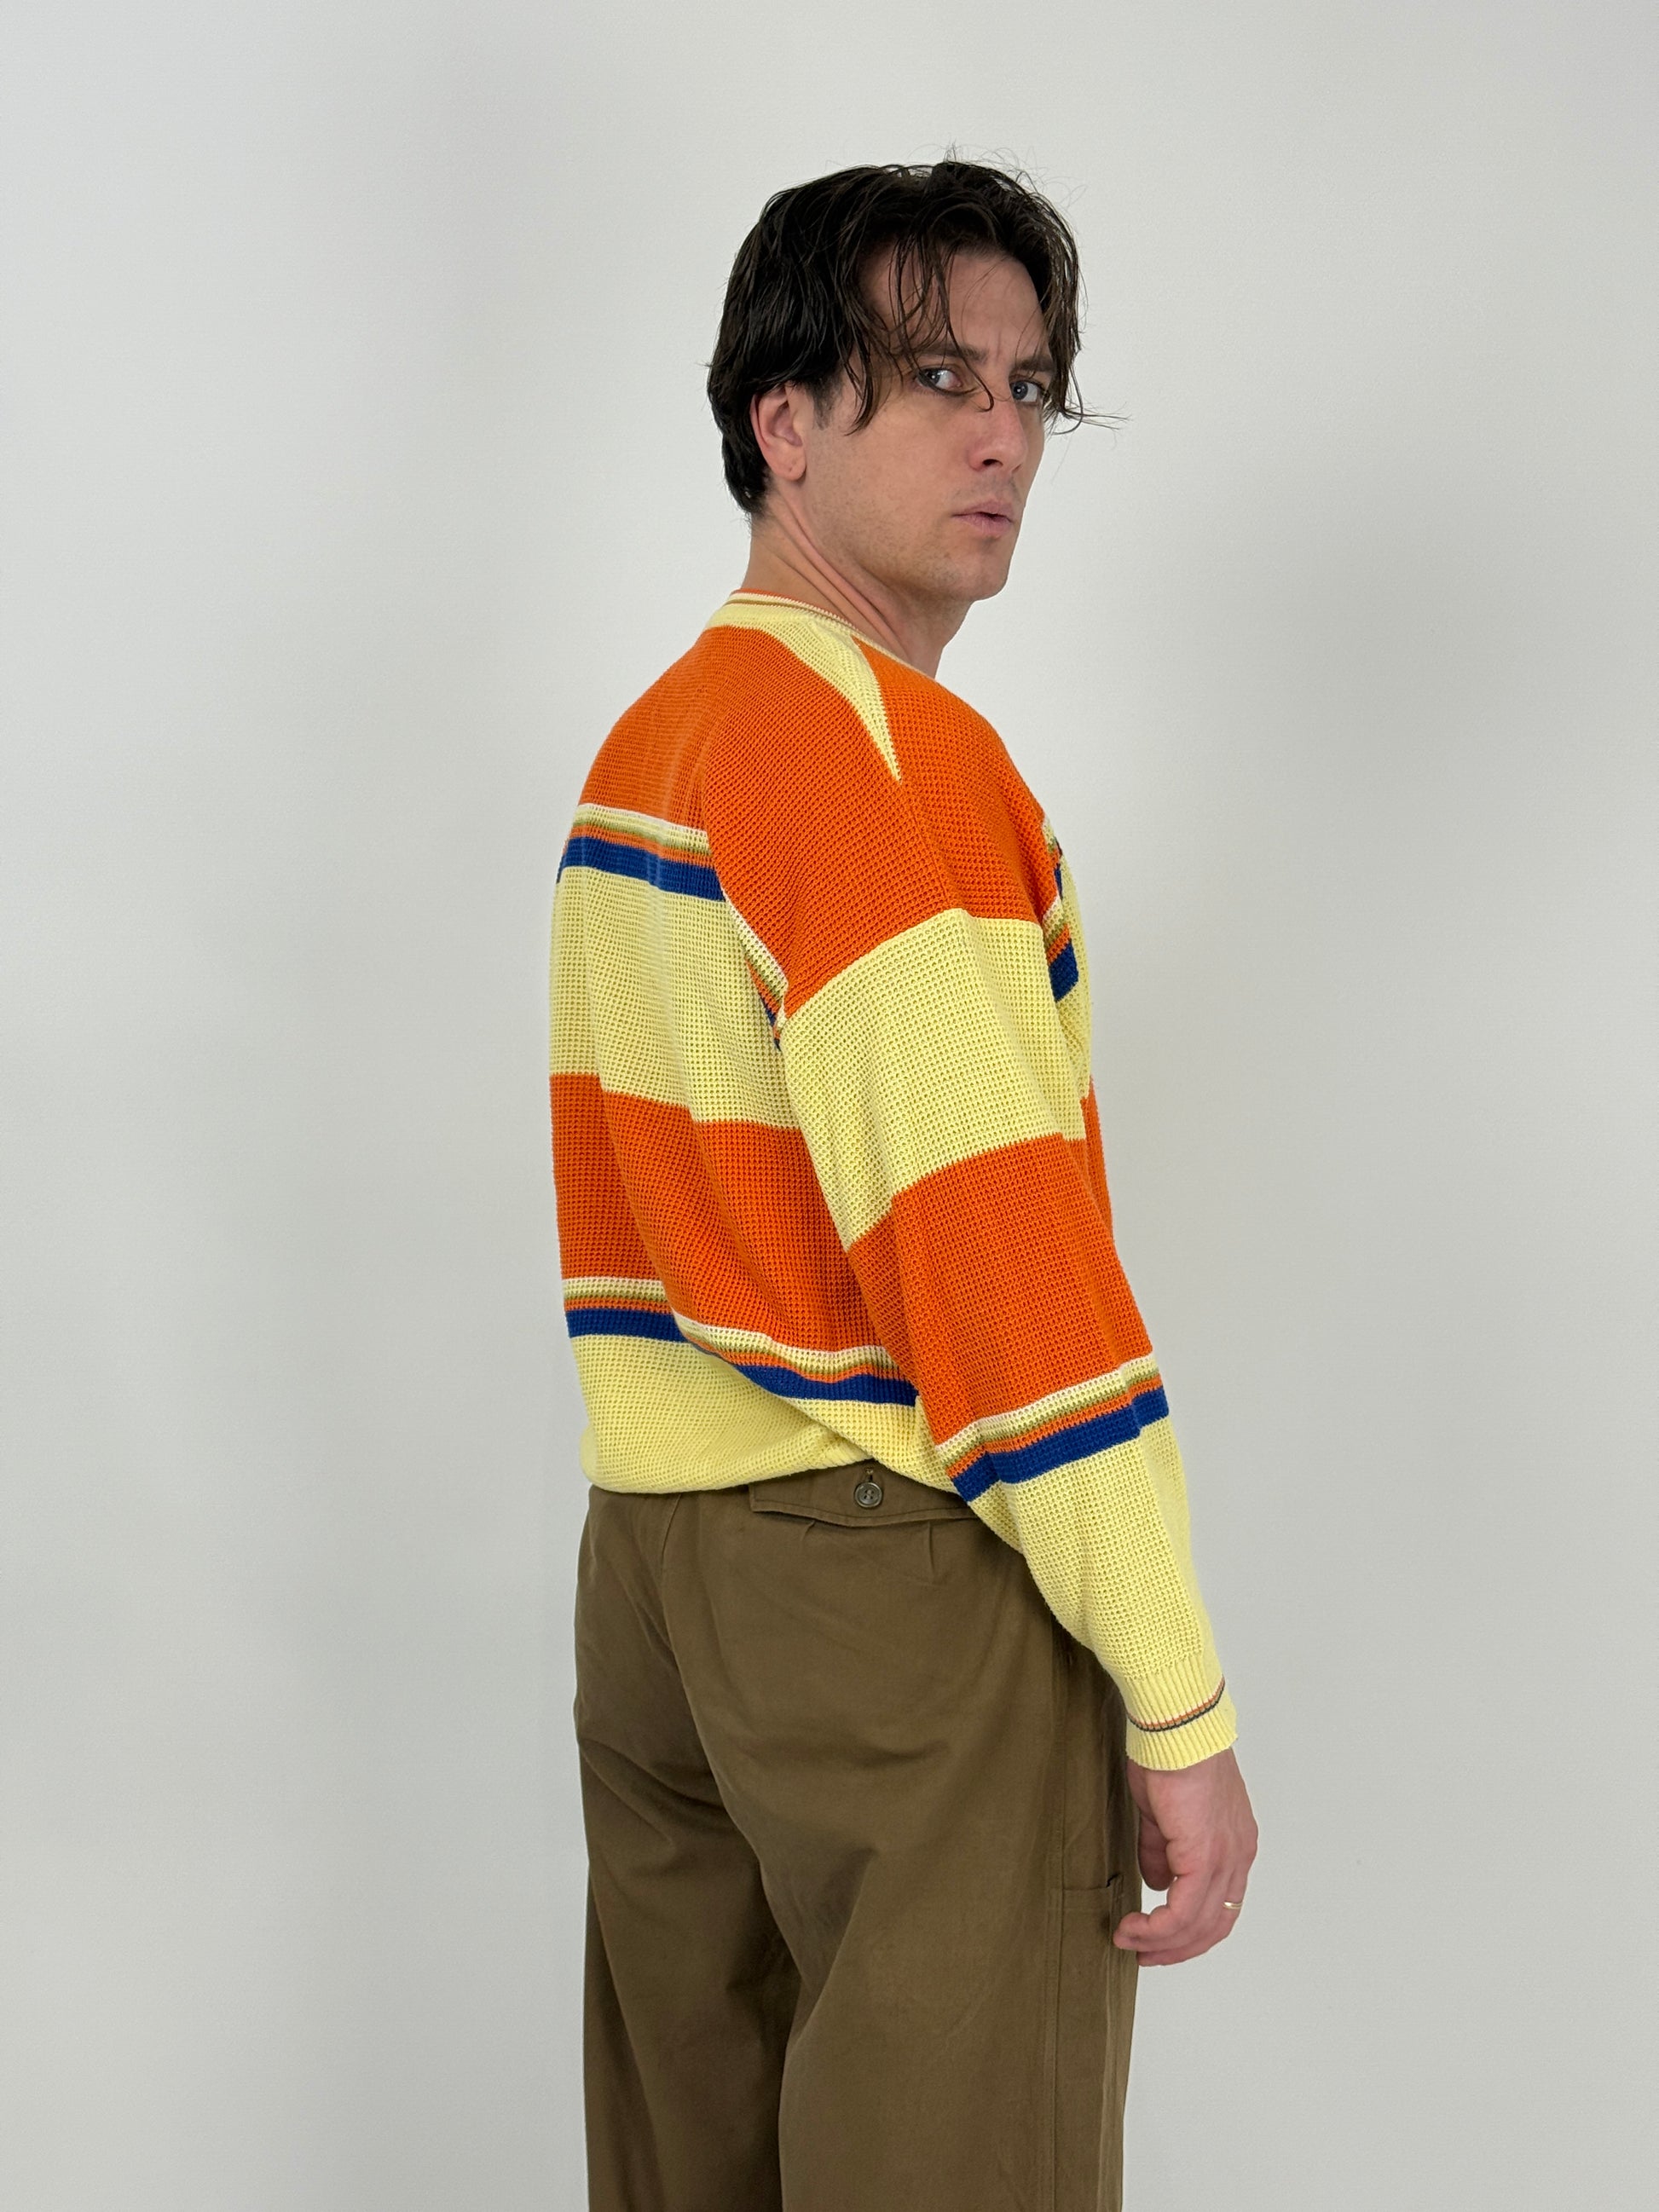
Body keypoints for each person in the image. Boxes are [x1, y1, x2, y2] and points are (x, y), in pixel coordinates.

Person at [549, 158, 1257, 2212]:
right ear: (780, 421)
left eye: (1028, 387)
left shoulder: (653, 747)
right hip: (888, 1591)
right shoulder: (877, 760)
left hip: (658, 1576)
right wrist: (1175, 1692)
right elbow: (991, 1258)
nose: (1001, 435)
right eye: (937, 375)